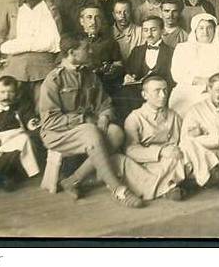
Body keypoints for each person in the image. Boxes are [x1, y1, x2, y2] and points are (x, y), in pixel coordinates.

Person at [39, 36, 143, 208]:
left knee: (116, 133)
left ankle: (73, 180)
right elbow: (50, 121)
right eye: (86, 48)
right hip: (58, 133)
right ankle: (118, 190)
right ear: (72, 53)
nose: (91, 51)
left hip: (88, 129)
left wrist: (104, 116)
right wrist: (83, 120)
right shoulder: (53, 80)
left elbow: (104, 103)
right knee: (89, 131)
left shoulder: (90, 75)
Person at [0, 0, 61, 110]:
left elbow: (60, 36)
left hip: (43, 67)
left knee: (43, 108)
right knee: (15, 108)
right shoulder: (11, 7)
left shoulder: (50, 7)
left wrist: (59, 60)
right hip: (16, 67)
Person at [116, 76, 187, 201]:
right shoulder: (135, 118)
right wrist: (160, 152)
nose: (163, 95)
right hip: (147, 161)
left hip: (171, 158)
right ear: (145, 95)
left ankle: (165, 186)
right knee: (123, 164)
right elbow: (131, 150)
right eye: (157, 91)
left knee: (181, 157)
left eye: (165, 90)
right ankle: (169, 187)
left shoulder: (173, 115)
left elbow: (183, 139)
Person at [169, 13, 219, 117]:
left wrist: (215, 83)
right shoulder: (182, 48)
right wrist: (199, 80)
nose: (205, 32)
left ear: (214, 30)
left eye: (209, 28)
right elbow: (176, 73)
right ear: (195, 31)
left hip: (216, 90)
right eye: (201, 28)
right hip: (187, 90)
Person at [122, 16, 175, 115]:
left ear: (162, 31)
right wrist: (127, 77)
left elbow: (173, 80)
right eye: (145, 30)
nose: (149, 34)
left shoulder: (172, 52)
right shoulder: (136, 51)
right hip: (138, 98)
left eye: (153, 30)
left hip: (162, 97)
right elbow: (128, 71)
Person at [78, 5, 123, 94]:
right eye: (89, 17)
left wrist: (108, 70)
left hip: (103, 88)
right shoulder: (74, 41)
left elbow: (119, 66)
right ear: (82, 21)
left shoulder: (110, 43)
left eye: (97, 18)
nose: (93, 22)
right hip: (78, 88)